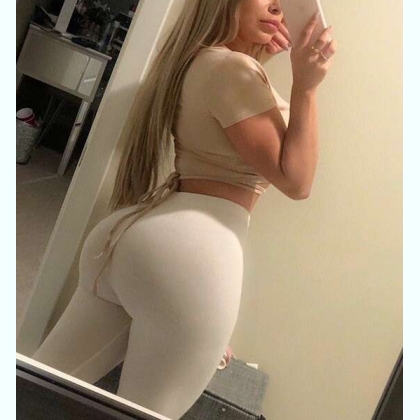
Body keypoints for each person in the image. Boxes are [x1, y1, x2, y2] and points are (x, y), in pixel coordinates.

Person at [31, 1, 337, 418]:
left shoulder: (204, 60)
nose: (276, 7)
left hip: (137, 239)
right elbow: (297, 180)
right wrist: (307, 86)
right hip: (195, 258)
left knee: (34, 393)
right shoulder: (234, 70)